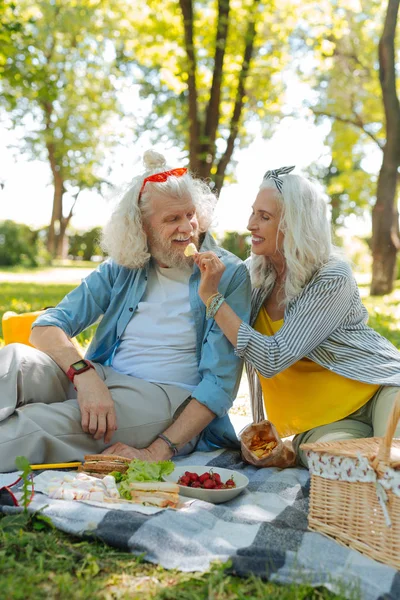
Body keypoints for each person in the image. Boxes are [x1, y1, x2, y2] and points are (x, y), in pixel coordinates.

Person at [0, 150, 251, 472]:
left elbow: (220, 383)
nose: (188, 228)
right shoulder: (124, 266)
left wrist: (158, 450)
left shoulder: (228, 273)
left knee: (34, 426)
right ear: (142, 228)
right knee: (14, 361)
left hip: (168, 399)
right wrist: (85, 375)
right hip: (104, 377)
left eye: (190, 215)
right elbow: (48, 325)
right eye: (172, 219)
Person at [194, 165, 400, 467]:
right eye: (253, 213)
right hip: (318, 426)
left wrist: (213, 299)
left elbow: (272, 358)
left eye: (264, 217)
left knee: (394, 464)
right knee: (349, 471)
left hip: (381, 391)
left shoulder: (332, 275)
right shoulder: (252, 277)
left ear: (296, 225)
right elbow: (209, 256)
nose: (250, 224)